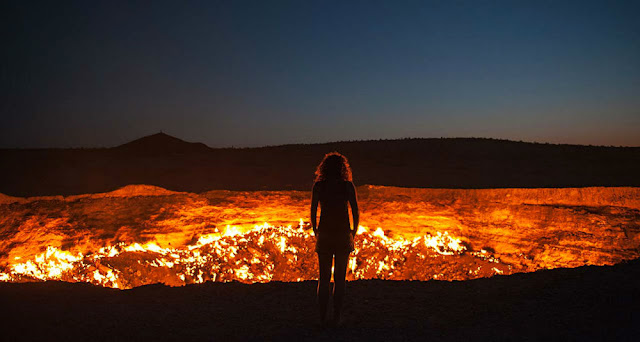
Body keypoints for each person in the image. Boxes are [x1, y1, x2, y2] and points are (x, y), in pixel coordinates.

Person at [310, 152, 359, 327]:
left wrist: (316, 230)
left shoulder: (319, 186)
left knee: (323, 279)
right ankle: (337, 318)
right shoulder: (347, 186)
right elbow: (355, 211)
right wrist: (353, 232)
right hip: (342, 234)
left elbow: (313, 211)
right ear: (342, 168)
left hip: (324, 234)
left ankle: (322, 318)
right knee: (339, 279)